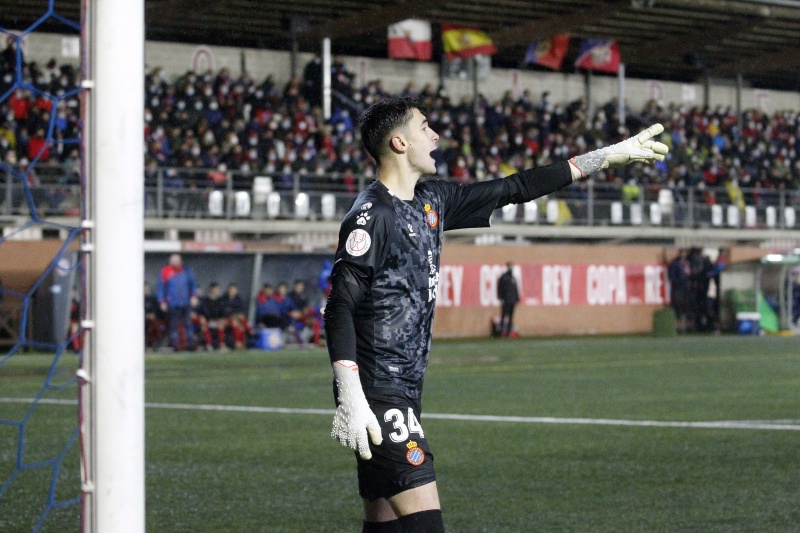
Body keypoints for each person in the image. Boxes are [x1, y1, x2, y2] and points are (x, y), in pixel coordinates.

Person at [322, 96, 668, 532]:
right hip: (378, 391)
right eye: (425, 127)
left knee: (385, 523)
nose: (435, 135)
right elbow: (340, 305)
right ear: (399, 142)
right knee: (426, 525)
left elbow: (515, 187)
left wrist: (605, 158)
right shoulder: (372, 215)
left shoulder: (433, 200)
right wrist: (351, 394)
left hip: (404, 388)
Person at [156, 253, 198, 351]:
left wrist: (194, 296)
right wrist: (162, 301)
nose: (175, 262)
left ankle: (190, 345)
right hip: (172, 303)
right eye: (173, 260)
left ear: (180, 261)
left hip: (186, 302)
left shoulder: (186, 270)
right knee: (173, 325)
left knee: (188, 324)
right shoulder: (165, 271)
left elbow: (193, 285)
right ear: (170, 261)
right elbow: (160, 288)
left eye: (177, 260)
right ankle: (175, 346)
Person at [496, 262, 519, 338]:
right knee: (504, 316)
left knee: (510, 316)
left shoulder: (513, 277)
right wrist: (500, 297)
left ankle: (509, 332)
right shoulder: (504, 277)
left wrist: (517, 298)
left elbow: (515, 289)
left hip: (512, 300)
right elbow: (500, 288)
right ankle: (501, 332)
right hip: (506, 299)